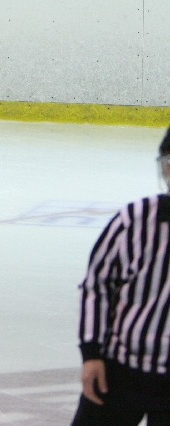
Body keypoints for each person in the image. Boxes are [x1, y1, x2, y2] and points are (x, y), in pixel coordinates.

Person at [71, 126, 170, 426]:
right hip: (120, 371)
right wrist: (91, 353)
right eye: (169, 162)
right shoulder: (135, 220)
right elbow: (97, 285)